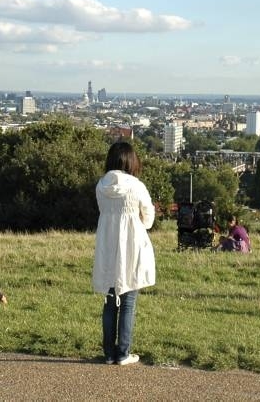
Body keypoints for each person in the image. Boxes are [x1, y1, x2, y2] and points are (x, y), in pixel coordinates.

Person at [92, 140, 155, 366]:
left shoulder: (101, 186)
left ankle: (109, 353)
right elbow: (148, 218)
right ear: (130, 161)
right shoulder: (136, 186)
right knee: (128, 301)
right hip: (132, 245)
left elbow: (103, 211)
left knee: (110, 301)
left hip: (107, 245)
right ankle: (123, 353)